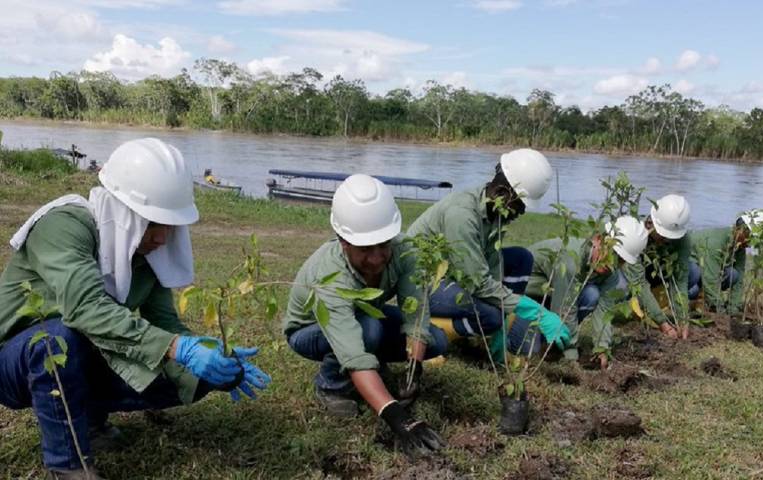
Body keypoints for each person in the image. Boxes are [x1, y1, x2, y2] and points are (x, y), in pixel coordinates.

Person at [0, 138, 270, 479]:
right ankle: (69, 466)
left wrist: (206, 353)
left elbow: (164, 323)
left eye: (170, 224)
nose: (162, 236)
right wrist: (175, 347)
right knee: (58, 340)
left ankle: (90, 421)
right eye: (152, 222)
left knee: (195, 375)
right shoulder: (64, 226)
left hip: (81, 352)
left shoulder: (145, 253)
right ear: (122, 211)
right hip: (12, 362)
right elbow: (86, 309)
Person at [283, 174, 448, 457]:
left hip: (365, 316)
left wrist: (414, 370)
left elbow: (415, 315)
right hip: (309, 331)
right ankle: (331, 385)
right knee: (368, 330)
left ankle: (376, 371)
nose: (376, 258)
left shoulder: (405, 251)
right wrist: (398, 418)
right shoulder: (330, 275)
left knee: (437, 340)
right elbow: (353, 354)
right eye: (364, 249)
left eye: (383, 245)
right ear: (342, 241)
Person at [407, 148, 568, 362]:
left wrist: (506, 314)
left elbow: (491, 269)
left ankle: (489, 332)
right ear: (502, 192)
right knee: (490, 315)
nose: (521, 213)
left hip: (456, 273)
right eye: (519, 205)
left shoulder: (492, 210)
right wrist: (537, 312)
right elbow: (479, 284)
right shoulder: (462, 215)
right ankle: (431, 333)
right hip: (423, 283)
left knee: (521, 258)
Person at [516, 216, 649, 369]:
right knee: (529, 350)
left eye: (620, 260)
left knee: (591, 294)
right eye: (611, 253)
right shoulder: (571, 259)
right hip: (524, 298)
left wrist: (602, 348)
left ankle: (553, 338)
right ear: (598, 240)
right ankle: (552, 338)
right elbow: (565, 307)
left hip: (552, 299)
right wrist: (571, 356)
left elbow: (604, 311)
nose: (612, 264)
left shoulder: (610, 274)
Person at [625, 194, 692, 338]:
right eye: (663, 236)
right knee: (621, 286)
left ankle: (652, 303)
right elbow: (639, 282)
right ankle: (634, 304)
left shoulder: (683, 239)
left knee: (695, 274)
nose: (666, 240)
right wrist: (663, 324)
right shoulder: (635, 235)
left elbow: (680, 280)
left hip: (658, 275)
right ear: (651, 224)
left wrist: (683, 319)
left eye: (671, 237)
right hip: (633, 276)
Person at [689, 210, 763, 315]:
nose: (749, 244)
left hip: (704, 274)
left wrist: (733, 307)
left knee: (733, 274)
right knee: (694, 289)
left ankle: (706, 299)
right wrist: (720, 308)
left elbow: (739, 278)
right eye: (749, 237)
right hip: (689, 273)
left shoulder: (739, 246)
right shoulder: (715, 242)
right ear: (738, 230)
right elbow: (710, 278)